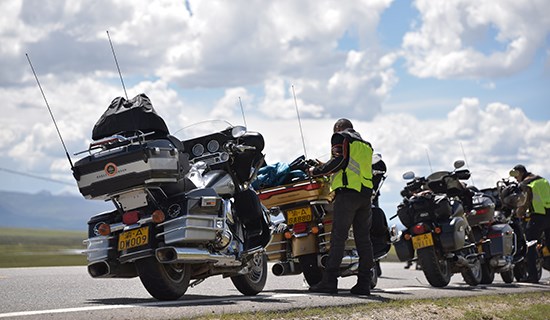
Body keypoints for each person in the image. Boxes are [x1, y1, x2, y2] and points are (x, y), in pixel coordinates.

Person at [308, 118, 374, 295]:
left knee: (338, 238)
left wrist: (317, 171)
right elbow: (352, 165)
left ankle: (329, 282)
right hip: (365, 195)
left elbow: (339, 161)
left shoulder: (340, 137)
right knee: (363, 240)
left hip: (347, 195)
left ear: (338, 128)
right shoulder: (366, 145)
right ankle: (364, 284)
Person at [510, 164, 550, 283]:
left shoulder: (526, 184)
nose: (516, 179)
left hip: (538, 216)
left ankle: (532, 276)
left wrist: (519, 212)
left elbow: (526, 201)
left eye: (516, 176)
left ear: (520, 173)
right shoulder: (543, 180)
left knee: (530, 245)